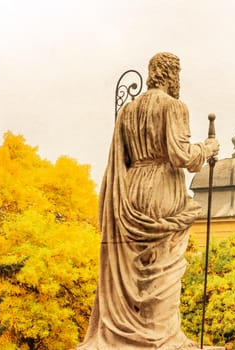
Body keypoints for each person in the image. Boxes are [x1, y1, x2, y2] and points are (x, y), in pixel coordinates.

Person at [78, 52, 219, 349]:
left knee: (136, 265)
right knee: (163, 263)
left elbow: (121, 158)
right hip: (162, 188)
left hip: (131, 189)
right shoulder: (174, 106)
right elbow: (182, 157)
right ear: (172, 74)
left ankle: (130, 332)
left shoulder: (128, 110)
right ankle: (161, 336)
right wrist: (207, 148)